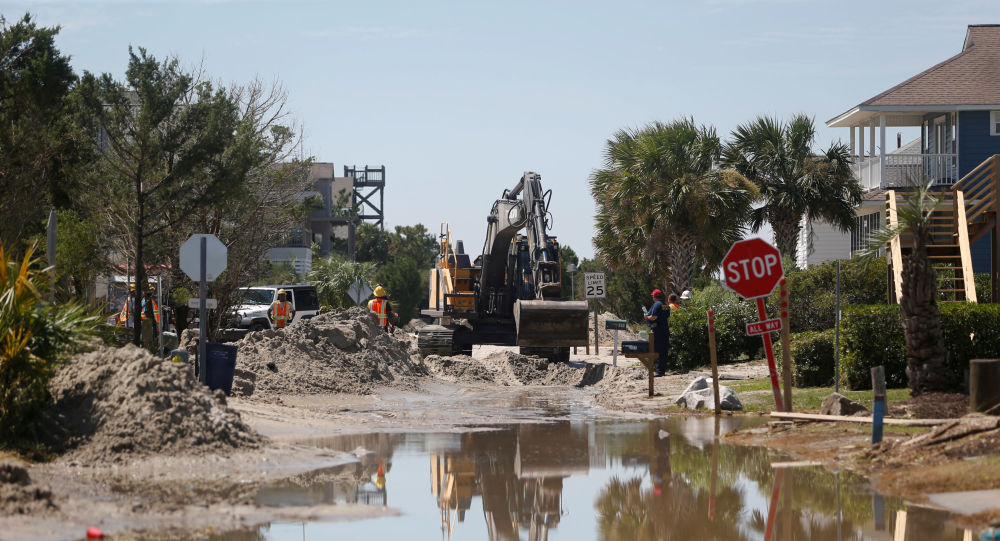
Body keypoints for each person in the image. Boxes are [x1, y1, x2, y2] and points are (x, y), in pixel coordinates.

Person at [644, 289, 670, 377]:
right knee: (663, 351)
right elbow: (667, 319)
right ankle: (662, 370)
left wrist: (647, 317)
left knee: (655, 350)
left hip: (657, 330)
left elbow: (654, 317)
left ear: (654, 297)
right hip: (665, 330)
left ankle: (657, 370)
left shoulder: (657, 304)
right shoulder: (666, 305)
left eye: (653, 296)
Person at [140, 287, 160, 351]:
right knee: (152, 336)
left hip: (147, 320)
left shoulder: (144, 300)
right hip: (150, 320)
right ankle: (153, 347)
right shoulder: (151, 300)